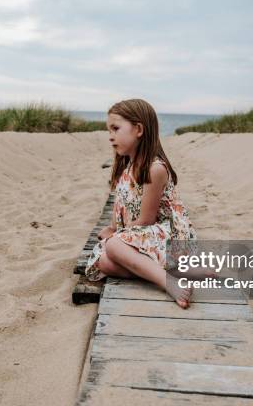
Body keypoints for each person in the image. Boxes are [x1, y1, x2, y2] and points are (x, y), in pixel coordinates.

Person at [84, 98, 197, 308]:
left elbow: (146, 220)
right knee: (104, 261)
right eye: (109, 130)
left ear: (138, 129)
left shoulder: (155, 169)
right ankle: (175, 270)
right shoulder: (126, 167)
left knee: (114, 245)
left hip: (169, 239)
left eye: (115, 129)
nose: (110, 137)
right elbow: (121, 207)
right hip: (146, 237)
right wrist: (112, 228)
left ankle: (168, 281)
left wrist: (116, 236)